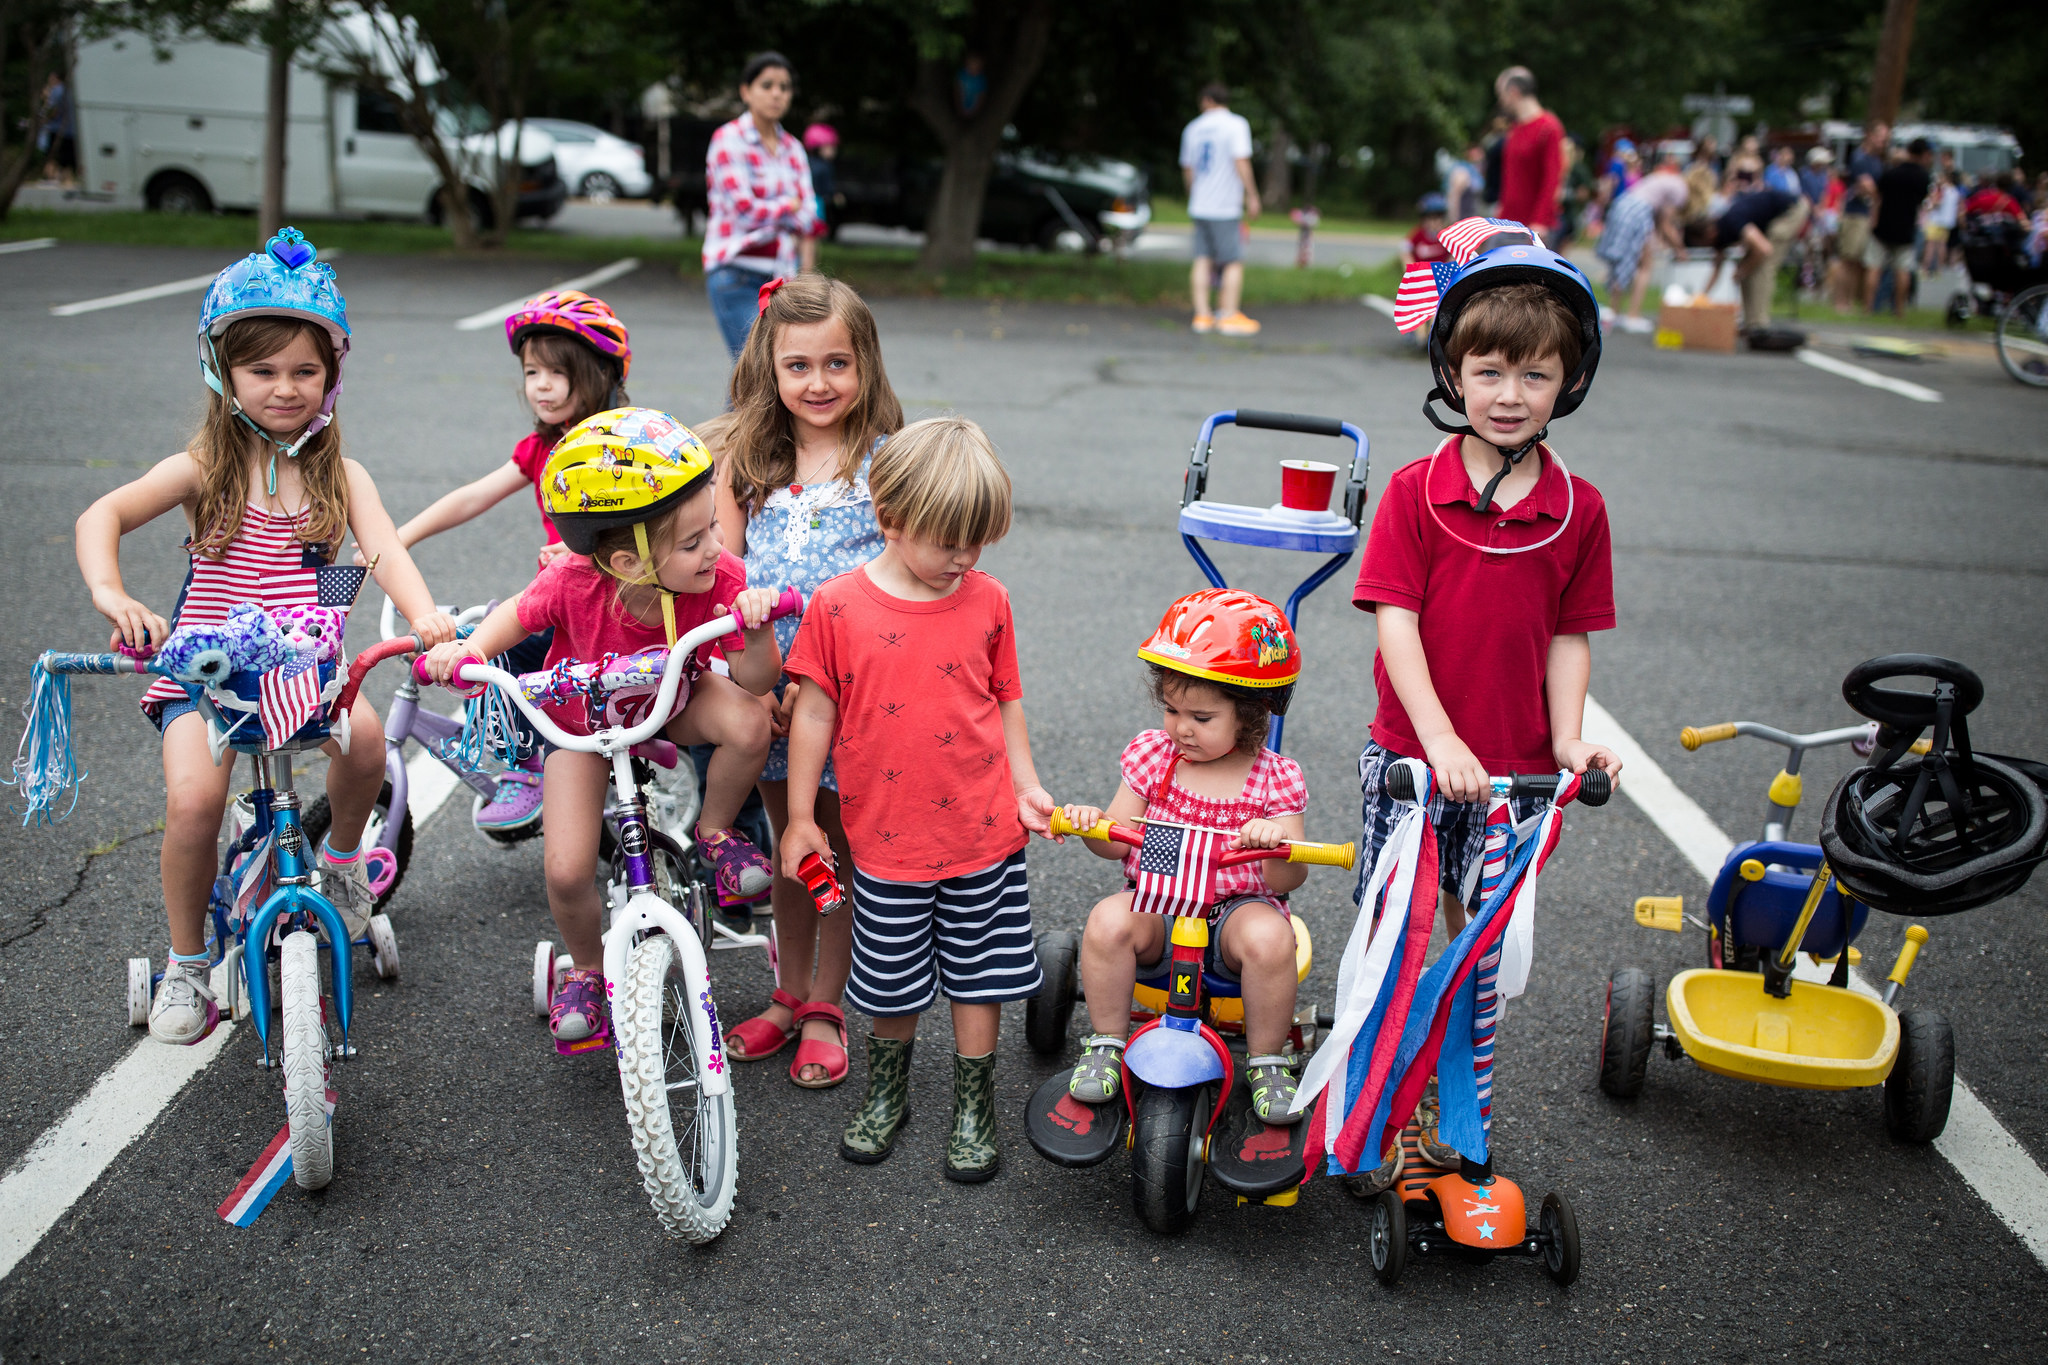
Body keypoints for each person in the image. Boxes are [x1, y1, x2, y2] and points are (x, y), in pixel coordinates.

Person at [74, 228, 459, 1046]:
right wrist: (114, 594)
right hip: (207, 678)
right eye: (263, 371)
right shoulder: (205, 468)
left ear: (331, 376)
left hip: (303, 677)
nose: (285, 388)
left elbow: (382, 547)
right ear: (224, 372)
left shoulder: (338, 475)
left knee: (363, 747)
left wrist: (424, 615)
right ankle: (185, 961)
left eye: (304, 371)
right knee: (194, 801)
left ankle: (348, 865)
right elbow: (102, 514)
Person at [1365, 224, 1620, 1177]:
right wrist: (1438, 740)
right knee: (1404, 940)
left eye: (1536, 377)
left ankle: (1442, 1119)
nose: (1510, 396)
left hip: (1513, 775)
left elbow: (1568, 633)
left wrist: (1568, 739)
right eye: (1488, 372)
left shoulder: (1578, 508)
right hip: (1413, 762)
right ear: (1453, 372)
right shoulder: (1414, 492)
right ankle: (1379, 1105)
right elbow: (1395, 624)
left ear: (1570, 385)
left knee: (1479, 960)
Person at [422, 409, 783, 1045]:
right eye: (693, 541)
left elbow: (756, 678)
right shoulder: (571, 580)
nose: (716, 549)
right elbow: (517, 613)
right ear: (626, 560)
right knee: (565, 869)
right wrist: (470, 652)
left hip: (674, 698)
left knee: (751, 722)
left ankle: (717, 830)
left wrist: (755, 629)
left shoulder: (720, 576)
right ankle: (588, 967)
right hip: (579, 724)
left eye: (714, 529)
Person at [779, 416, 1055, 1182]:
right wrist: (802, 816)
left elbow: (1006, 699)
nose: (964, 559)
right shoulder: (837, 606)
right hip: (887, 839)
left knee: (980, 974)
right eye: (949, 541)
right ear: (889, 519)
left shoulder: (988, 599)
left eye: (978, 541)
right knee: (890, 975)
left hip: (983, 829)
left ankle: (975, 1104)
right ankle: (887, 1091)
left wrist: (1026, 785)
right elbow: (813, 710)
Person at [714, 275, 904, 1089]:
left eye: (837, 362)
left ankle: (828, 1002)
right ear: (770, 367)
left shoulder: (886, 464)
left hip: (855, 695)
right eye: (799, 366)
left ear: (865, 364)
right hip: (768, 692)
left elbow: (908, 576)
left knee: (840, 850)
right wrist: (753, 686)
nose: (819, 383)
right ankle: (787, 991)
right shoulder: (746, 462)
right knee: (789, 849)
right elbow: (721, 577)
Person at [1059, 590, 1311, 1125]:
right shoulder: (1156, 756)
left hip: (1233, 914)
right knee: (1107, 920)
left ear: (1250, 714)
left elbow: (1292, 874)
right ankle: (1105, 1041)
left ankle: (1267, 1057)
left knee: (1270, 937)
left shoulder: (1275, 777)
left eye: (1201, 715)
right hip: (1160, 900)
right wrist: (1091, 825)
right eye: (1172, 710)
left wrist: (1274, 841)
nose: (1181, 728)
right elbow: (1114, 839)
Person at [385, 290, 631, 834]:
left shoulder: (620, 443)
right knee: (495, 632)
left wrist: (583, 547)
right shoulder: (541, 447)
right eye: (531, 371)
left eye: (556, 372)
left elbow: (647, 526)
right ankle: (531, 763)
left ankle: (526, 769)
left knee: (505, 636)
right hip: (567, 601)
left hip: (618, 605)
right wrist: (397, 537)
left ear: (597, 373)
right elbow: (473, 495)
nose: (540, 385)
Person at [703, 52, 819, 359]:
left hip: (782, 277)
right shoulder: (728, 140)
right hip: (736, 272)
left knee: (779, 370)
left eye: (784, 87)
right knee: (755, 368)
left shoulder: (793, 148)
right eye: (767, 85)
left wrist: (783, 209)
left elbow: (809, 217)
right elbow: (745, 210)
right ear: (746, 91)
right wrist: (789, 205)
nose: (777, 93)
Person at [1179, 81, 1262, 336]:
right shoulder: (1236, 124)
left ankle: (1202, 315)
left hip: (1200, 203)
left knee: (1202, 258)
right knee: (1232, 261)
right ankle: (1228, 315)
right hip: (1225, 205)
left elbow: (1188, 169)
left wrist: (1193, 195)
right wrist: (1252, 194)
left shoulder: (1193, 128)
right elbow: (1241, 161)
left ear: (1207, 100)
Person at [1595, 153, 1689, 332]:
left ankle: (1615, 312)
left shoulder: (1667, 179)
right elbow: (1666, 224)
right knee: (1645, 265)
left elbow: (1659, 221)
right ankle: (1632, 315)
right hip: (1637, 211)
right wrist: (1681, 250)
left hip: (1622, 206)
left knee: (1622, 262)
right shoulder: (1681, 189)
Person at [1706, 170, 1808, 331]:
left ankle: (1760, 324)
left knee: (1764, 266)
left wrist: (1743, 270)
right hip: (1775, 217)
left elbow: (1764, 249)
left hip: (1791, 210)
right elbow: (1716, 268)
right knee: (1748, 268)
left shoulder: (1732, 220)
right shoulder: (1719, 238)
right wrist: (1701, 297)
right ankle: (1749, 322)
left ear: (1710, 232)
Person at [1493, 67, 1564, 235]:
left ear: (1513, 92)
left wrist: (1539, 222)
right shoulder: (1515, 129)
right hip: (1508, 223)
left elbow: (1552, 179)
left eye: (1501, 95)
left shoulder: (1549, 128)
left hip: (1533, 228)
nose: (1501, 101)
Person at [1867, 137, 1933, 315]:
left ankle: (1868, 307)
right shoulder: (1923, 177)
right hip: (1906, 228)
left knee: (1874, 266)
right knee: (1902, 270)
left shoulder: (1891, 173)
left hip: (1883, 225)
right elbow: (1923, 202)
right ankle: (1900, 310)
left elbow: (1877, 197)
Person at [1830, 121, 1888, 312]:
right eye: (1880, 137)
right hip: (1854, 215)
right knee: (1847, 259)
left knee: (1857, 262)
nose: (1883, 142)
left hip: (1866, 216)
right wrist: (1875, 194)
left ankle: (1849, 301)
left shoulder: (1877, 162)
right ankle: (1839, 302)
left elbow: (1874, 189)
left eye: (1885, 139)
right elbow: (1866, 187)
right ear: (1870, 135)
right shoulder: (1859, 158)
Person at [797, 123, 840, 275]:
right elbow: (827, 189)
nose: (833, 151)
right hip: (815, 205)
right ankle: (806, 279)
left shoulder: (804, 162)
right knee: (811, 244)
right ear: (818, 147)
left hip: (799, 204)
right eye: (829, 147)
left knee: (798, 242)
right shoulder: (825, 167)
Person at [1922, 168, 1961, 276]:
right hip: (1947, 222)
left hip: (1935, 220)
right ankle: (1939, 269)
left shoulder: (1941, 189)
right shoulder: (1955, 191)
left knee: (1930, 245)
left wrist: (1928, 207)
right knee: (1942, 246)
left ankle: (1925, 269)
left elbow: (1936, 203)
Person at [1405, 193, 1450, 265]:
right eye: (1430, 218)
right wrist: (1410, 268)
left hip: (1441, 273)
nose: (1434, 222)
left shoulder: (1447, 236)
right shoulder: (1418, 234)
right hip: (1420, 273)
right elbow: (1405, 250)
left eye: (1438, 217)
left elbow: (1453, 256)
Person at [1444, 143, 1484, 221]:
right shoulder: (1462, 170)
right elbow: (1454, 196)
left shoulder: (1476, 171)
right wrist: (1454, 220)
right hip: (1463, 220)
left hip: (1474, 219)